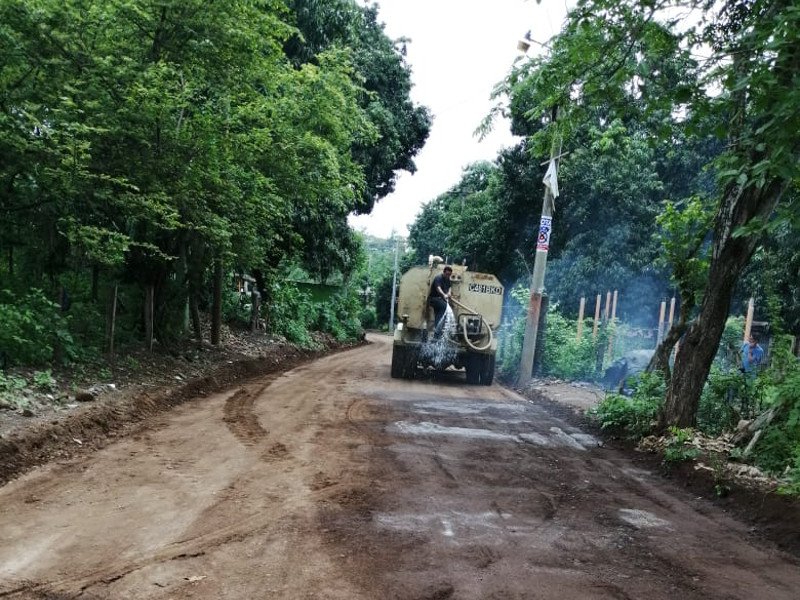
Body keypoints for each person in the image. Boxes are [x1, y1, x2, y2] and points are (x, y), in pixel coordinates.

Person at [428, 266, 453, 339]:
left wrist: (449, 293)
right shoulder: (438, 278)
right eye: (447, 274)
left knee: (438, 315)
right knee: (444, 306)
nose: (448, 276)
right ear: (444, 272)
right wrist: (444, 295)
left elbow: (449, 287)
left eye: (449, 275)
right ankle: (437, 331)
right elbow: (438, 288)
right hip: (434, 299)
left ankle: (437, 335)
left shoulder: (447, 279)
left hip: (440, 300)